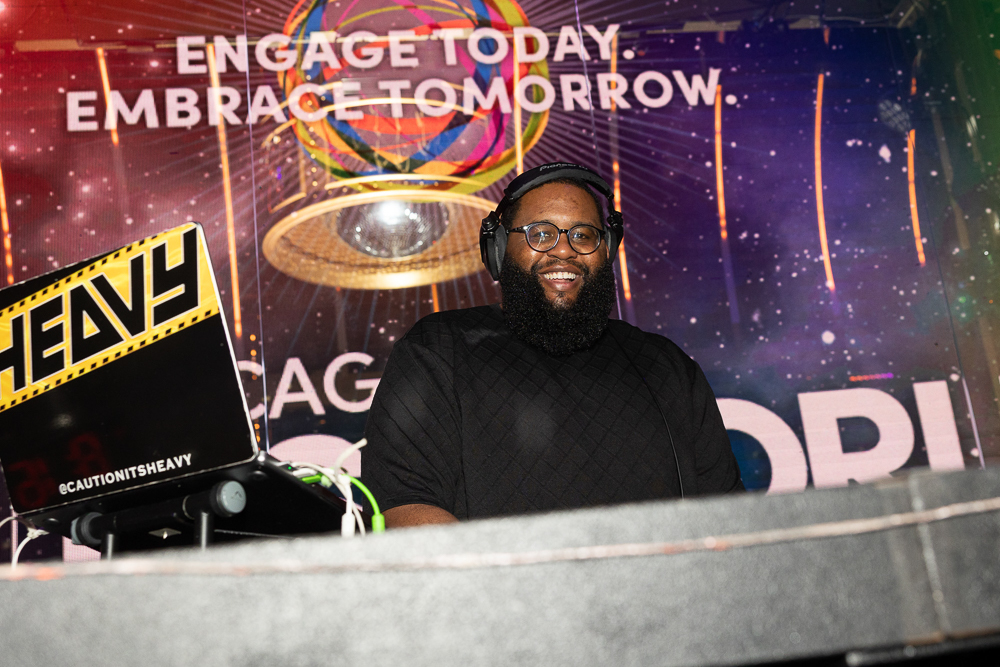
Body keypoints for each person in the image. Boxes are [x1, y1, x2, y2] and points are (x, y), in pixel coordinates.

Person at [362, 162, 744, 528]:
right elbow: (405, 507)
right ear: (498, 248)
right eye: (541, 234)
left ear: (607, 249)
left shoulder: (666, 367)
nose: (564, 250)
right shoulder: (438, 349)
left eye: (583, 235)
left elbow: (729, 520)